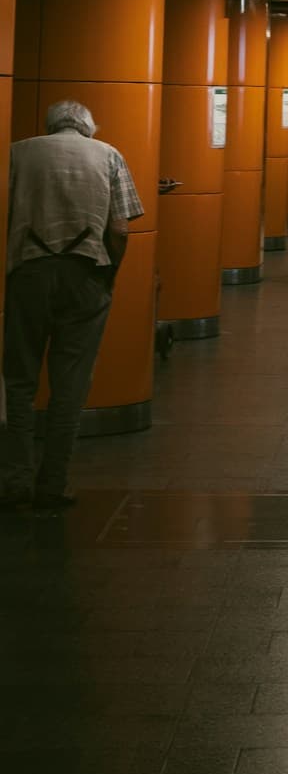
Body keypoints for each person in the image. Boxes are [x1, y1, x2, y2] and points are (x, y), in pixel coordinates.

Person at [3, 100, 145, 509]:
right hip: (85, 274)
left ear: (50, 125)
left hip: (28, 274)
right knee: (70, 386)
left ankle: (15, 480)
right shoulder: (109, 155)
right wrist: (109, 273)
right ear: (88, 127)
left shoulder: (18, 152)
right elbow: (120, 228)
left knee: (19, 381)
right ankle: (54, 483)